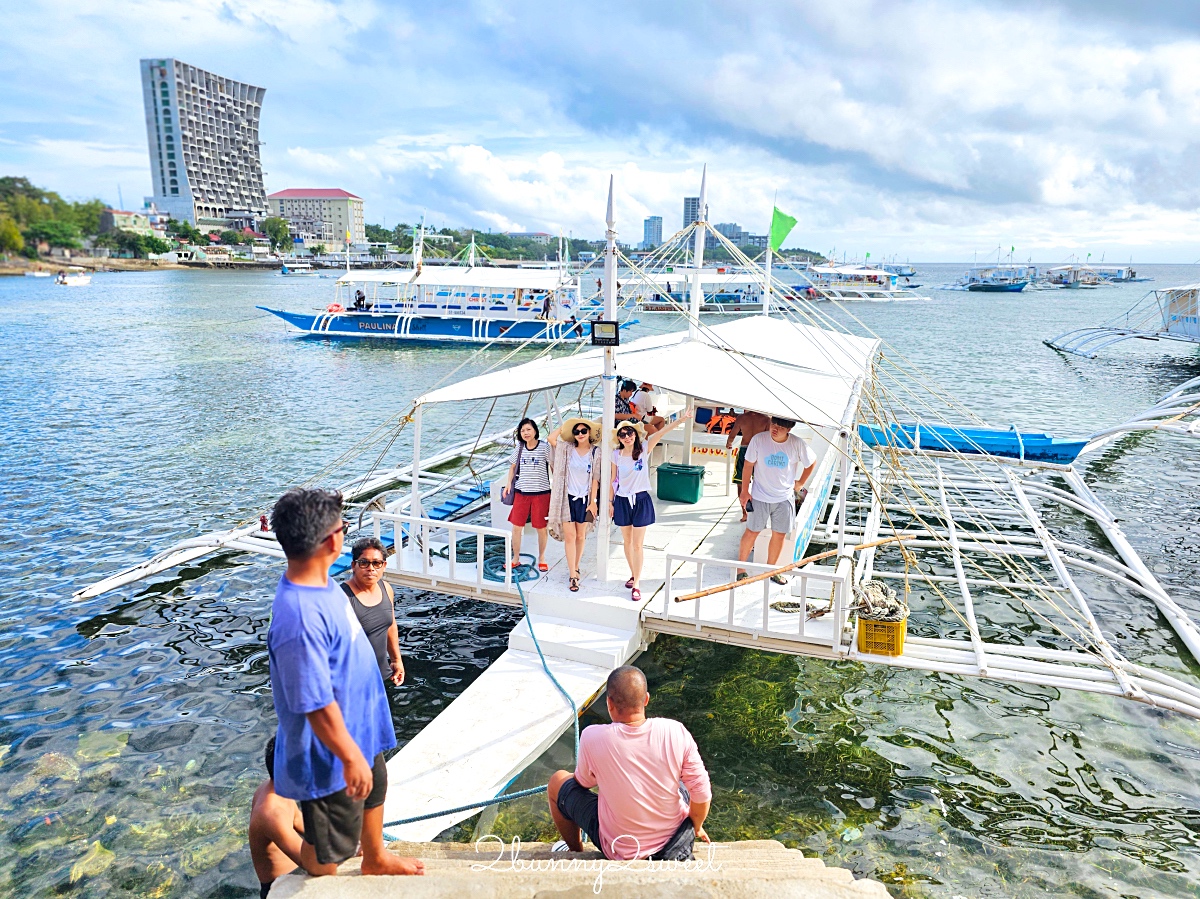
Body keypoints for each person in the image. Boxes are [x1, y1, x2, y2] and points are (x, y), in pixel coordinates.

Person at [266, 488, 424, 878]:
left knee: (378, 788)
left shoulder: (320, 584)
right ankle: (322, 884)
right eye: (344, 526)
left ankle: (375, 856)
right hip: (330, 753)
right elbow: (312, 701)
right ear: (331, 541)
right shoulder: (299, 616)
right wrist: (350, 756)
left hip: (361, 728)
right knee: (328, 847)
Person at [547, 665, 711, 861]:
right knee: (683, 779)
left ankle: (575, 851)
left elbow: (583, 783)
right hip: (674, 840)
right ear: (647, 699)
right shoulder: (675, 731)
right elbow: (702, 792)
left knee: (557, 781)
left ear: (609, 703)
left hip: (620, 848)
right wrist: (696, 825)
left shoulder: (592, 736)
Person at [611, 411, 690, 602]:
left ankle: (636, 583)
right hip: (622, 500)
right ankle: (633, 573)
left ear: (635, 435)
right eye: (623, 434)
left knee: (637, 544)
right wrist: (609, 503)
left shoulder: (644, 449)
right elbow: (613, 479)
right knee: (627, 542)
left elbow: (660, 434)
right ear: (619, 438)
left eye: (630, 433)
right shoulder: (616, 455)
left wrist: (680, 420)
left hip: (641, 499)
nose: (627, 437)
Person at [736, 417, 817, 582]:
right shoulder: (758, 440)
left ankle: (771, 570)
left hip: (784, 497)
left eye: (781, 427)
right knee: (752, 531)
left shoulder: (797, 444)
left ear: (789, 429)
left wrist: (801, 482)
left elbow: (811, 462)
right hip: (759, 495)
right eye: (774, 424)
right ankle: (740, 569)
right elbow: (748, 465)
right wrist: (745, 490)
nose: (775, 429)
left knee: (779, 534)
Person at [342, 537, 405, 686]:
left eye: (376, 563)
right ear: (353, 565)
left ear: (384, 566)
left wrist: (396, 660)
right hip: (352, 682)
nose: (371, 568)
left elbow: (391, 625)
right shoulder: (342, 598)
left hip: (381, 676)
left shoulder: (386, 588)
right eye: (364, 563)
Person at [548, 417, 601, 592]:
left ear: (589, 433)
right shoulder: (567, 449)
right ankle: (572, 575)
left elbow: (595, 479)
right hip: (567, 498)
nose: (580, 434)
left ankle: (576, 566)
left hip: (585, 499)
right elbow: (551, 439)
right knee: (570, 537)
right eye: (576, 431)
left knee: (580, 536)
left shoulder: (596, 452)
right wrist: (565, 425)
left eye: (583, 431)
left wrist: (593, 502)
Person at [249, 737, 305, 897]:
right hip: (280, 887)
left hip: (296, 869)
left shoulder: (276, 788)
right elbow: (309, 862)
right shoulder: (271, 813)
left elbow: (299, 822)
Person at [504, 418, 553, 572]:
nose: (525, 433)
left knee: (541, 528)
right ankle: (516, 558)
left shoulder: (544, 447)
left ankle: (542, 558)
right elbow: (512, 468)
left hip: (542, 494)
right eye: (522, 430)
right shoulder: (519, 448)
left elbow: (553, 466)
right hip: (521, 493)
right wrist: (508, 484)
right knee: (516, 527)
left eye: (528, 429)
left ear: (535, 431)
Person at [724, 409, 771, 521]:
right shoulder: (766, 419)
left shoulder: (742, 418)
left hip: (745, 450)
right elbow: (768, 438)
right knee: (760, 482)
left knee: (741, 482)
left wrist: (729, 443)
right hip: (760, 451)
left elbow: (733, 434)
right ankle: (759, 512)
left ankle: (744, 512)